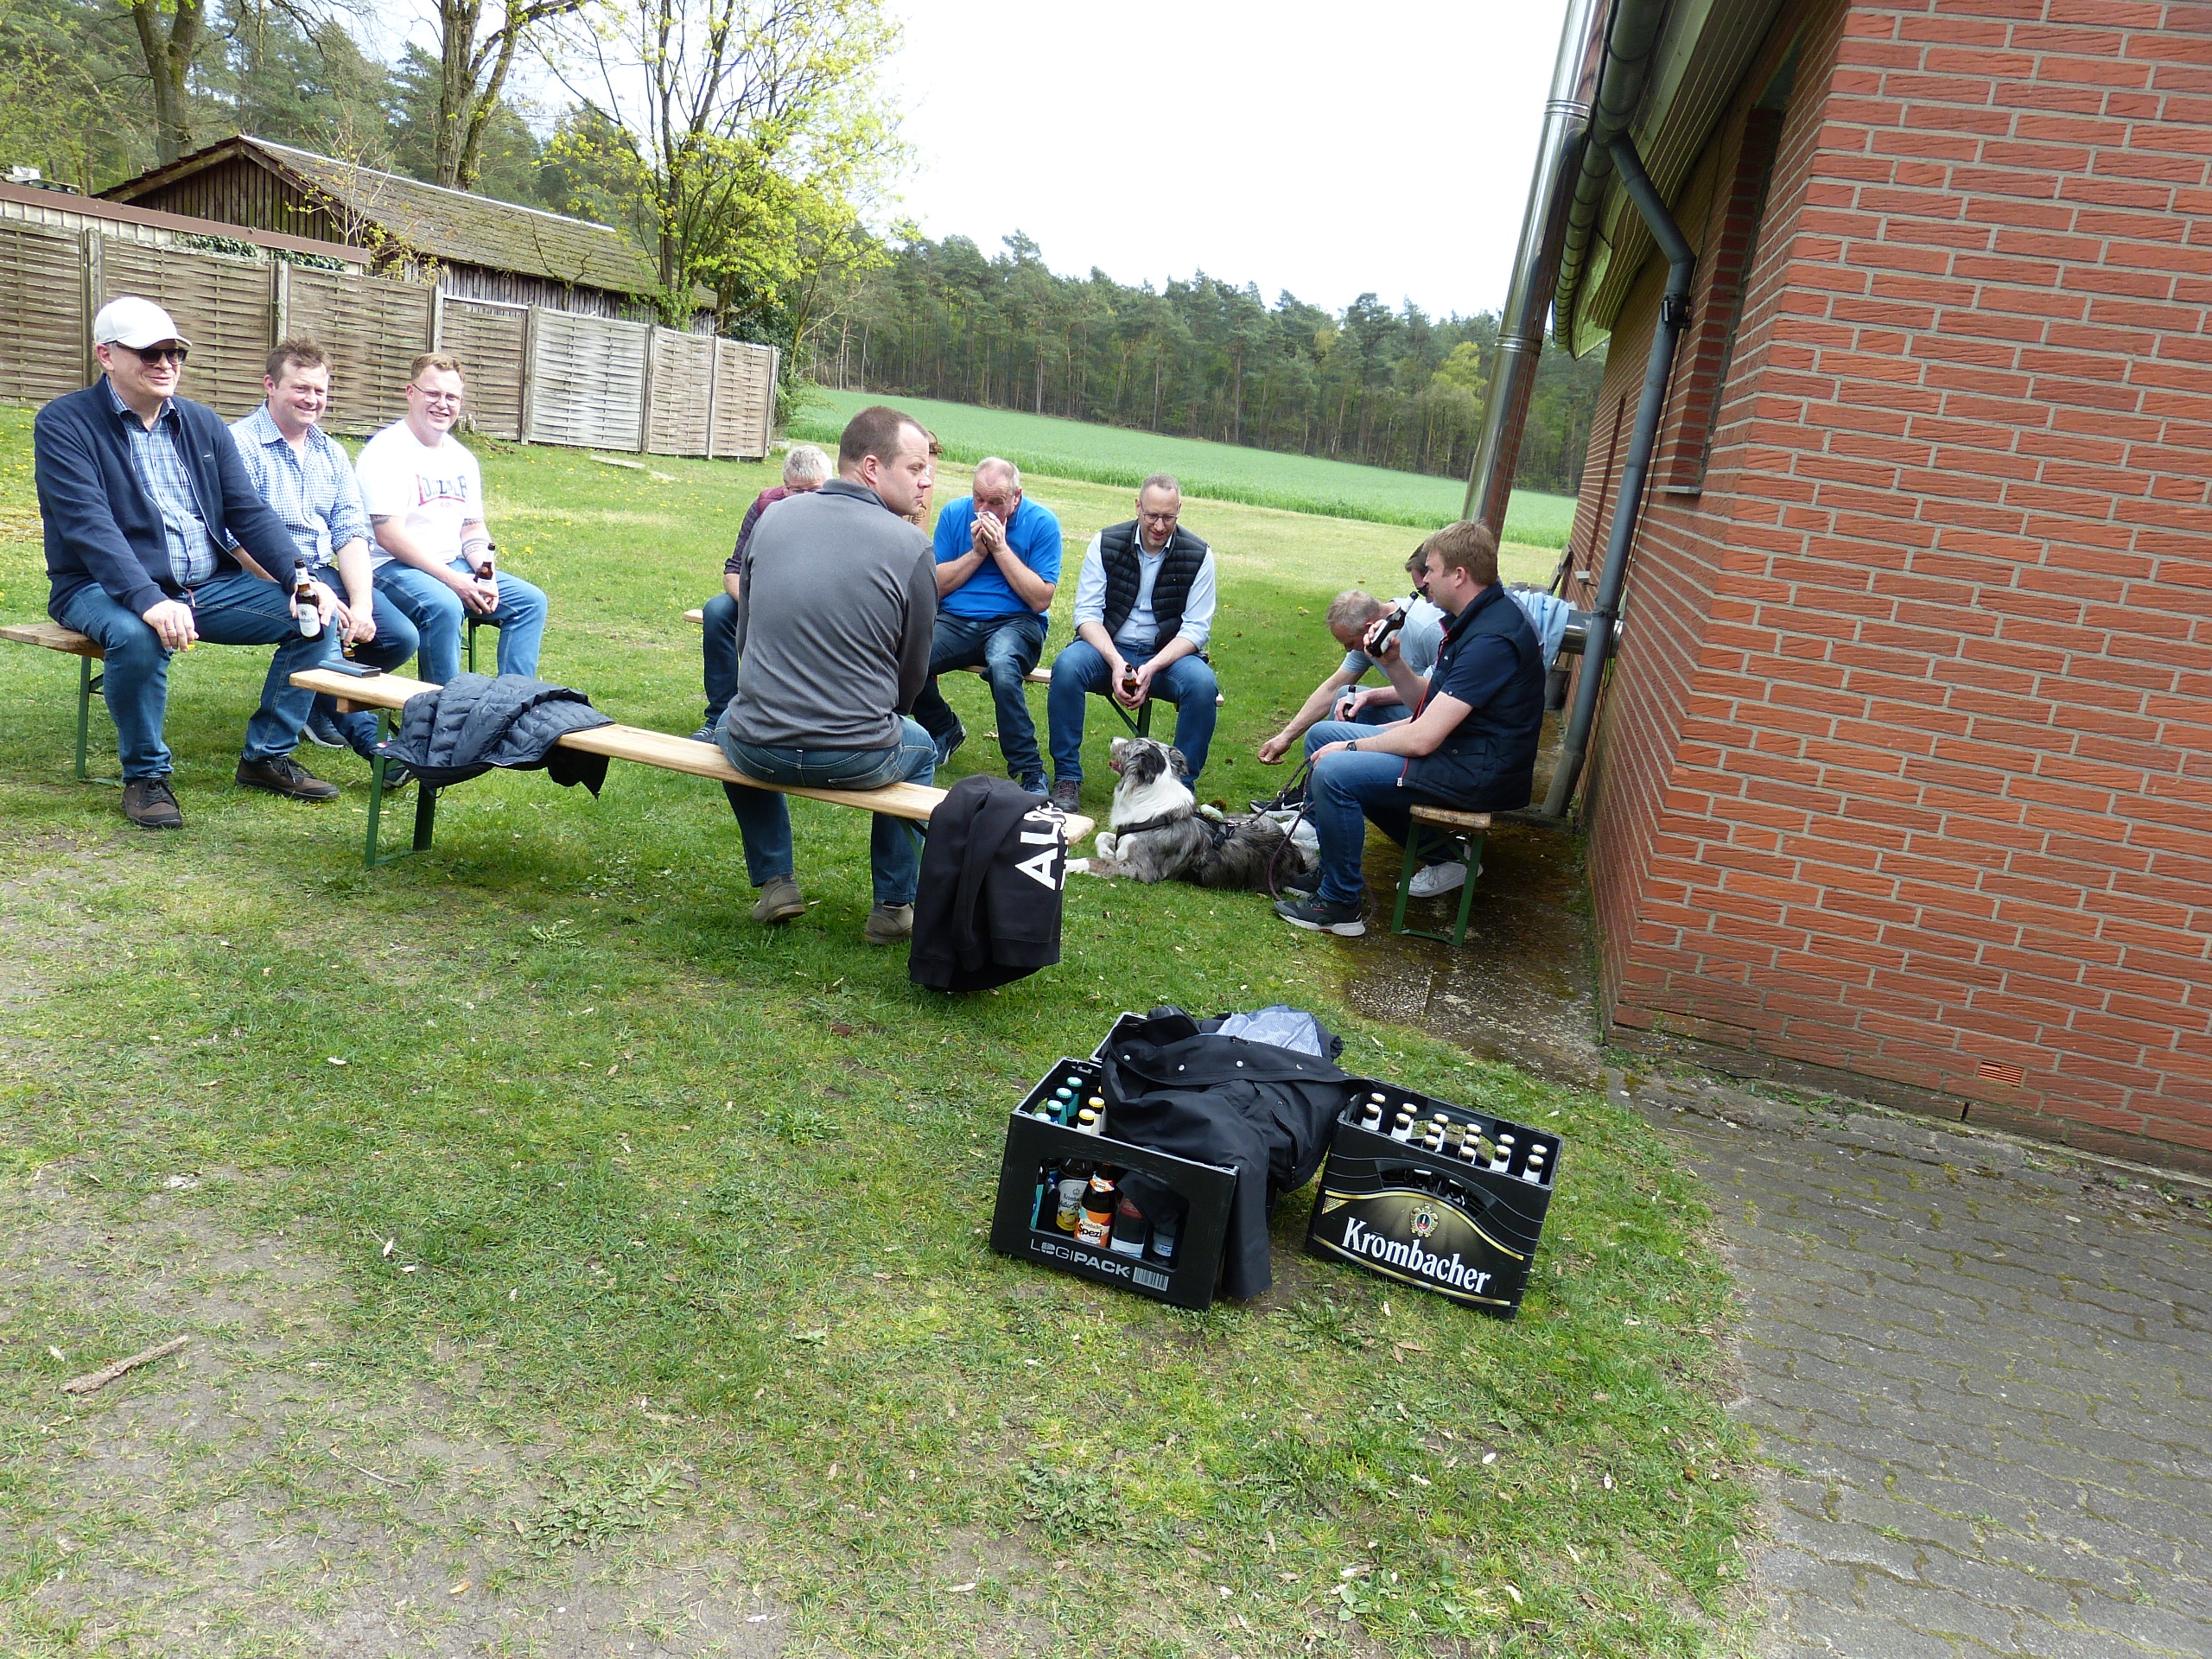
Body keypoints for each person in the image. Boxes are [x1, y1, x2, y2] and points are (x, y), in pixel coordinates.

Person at [36, 296, 343, 828]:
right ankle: (146, 777)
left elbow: (248, 511)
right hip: (96, 586)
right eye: (150, 353)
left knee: (313, 617)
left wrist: (301, 577)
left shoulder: (201, 423)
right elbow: (88, 526)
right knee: (137, 635)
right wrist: (148, 600)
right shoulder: (66, 423)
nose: (166, 364)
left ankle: (266, 757)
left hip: (204, 586)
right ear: (106, 355)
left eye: (175, 353)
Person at [717, 404, 938, 945]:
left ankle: (776, 881)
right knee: (922, 748)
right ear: (872, 467)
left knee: (726, 721)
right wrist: (876, 718)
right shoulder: (912, 546)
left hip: (755, 745)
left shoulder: (772, 519)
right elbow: (913, 674)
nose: (927, 480)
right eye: (915, 468)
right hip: (855, 753)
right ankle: (893, 906)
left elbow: (745, 635)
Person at [1274, 519, 1545, 938]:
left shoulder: (1492, 638)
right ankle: (1331, 874)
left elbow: (1423, 738)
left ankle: (1341, 905)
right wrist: (1395, 663)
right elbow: (1426, 705)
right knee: (1322, 736)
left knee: (1334, 772)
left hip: (1475, 770)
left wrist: (1351, 750)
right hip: (1458, 750)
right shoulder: (1473, 620)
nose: (1424, 580)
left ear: (1459, 575)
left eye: (1431, 570)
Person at [229, 339, 421, 789]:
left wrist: (362, 604)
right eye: (300, 388)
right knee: (321, 623)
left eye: (319, 390)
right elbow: (236, 540)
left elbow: (350, 532)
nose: (311, 399)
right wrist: (307, 590)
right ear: (270, 385)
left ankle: (316, 697)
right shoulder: (239, 444)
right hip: (261, 574)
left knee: (398, 636)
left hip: (320, 570)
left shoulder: (330, 451)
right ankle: (377, 748)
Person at [355, 353, 548, 684]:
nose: (442, 404)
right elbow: (389, 535)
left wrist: (484, 572)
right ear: (411, 393)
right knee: (445, 606)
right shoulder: (385, 451)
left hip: (452, 565)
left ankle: (513, 701)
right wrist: (453, 580)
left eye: (451, 397)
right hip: (390, 567)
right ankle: (444, 708)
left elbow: (472, 527)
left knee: (530, 602)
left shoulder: (462, 459)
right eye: (432, 393)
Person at [1046, 474, 1218, 812]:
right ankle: (1067, 775)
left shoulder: (1199, 555)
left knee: (1202, 685)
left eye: (1168, 517)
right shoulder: (1106, 542)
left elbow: (1196, 629)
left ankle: (1181, 787)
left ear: (1179, 510)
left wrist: (1152, 667)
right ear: (1138, 506)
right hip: (1109, 646)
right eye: (1152, 515)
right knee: (1067, 667)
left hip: (1167, 655)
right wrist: (1116, 662)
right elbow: (1087, 615)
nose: (1159, 526)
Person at [910, 456, 1061, 793]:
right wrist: (977, 554)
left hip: (1017, 622)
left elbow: (1040, 599)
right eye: (978, 498)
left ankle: (1029, 770)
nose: (984, 509)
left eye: (995, 502)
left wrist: (1000, 548)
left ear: (1016, 497)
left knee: (1004, 668)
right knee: (907, 656)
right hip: (957, 620)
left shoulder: (1042, 523)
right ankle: (943, 727)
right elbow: (935, 585)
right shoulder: (955, 513)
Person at [692, 443, 831, 741]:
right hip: (760, 599)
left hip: (817, 604)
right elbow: (733, 570)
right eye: (797, 491)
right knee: (716, 611)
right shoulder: (764, 507)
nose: (806, 498)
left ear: (829, 485)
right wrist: (755, 605)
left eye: (815, 490)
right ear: (784, 486)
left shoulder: (841, 513)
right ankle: (718, 717)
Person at [1258, 552, 1448, 765]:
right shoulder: (1372, 635)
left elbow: (1438, 690)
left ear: (1368, 626)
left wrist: (1371, 697)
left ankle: (1333, 767)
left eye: (1349, 643)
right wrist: (1285, 737)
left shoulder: (1427, 630)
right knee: (1345, 695)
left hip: (1437, 722)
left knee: (1334, 723)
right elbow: (1332, 688)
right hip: (1414, 709)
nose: (1348, 650)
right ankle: (1323, 771)